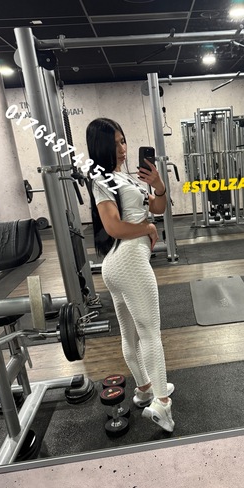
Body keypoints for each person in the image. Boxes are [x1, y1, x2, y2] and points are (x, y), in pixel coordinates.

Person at [85, 117, 174, 433]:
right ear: (101, 147)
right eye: (115, 143)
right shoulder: (100, 180)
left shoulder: (127, 178)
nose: (122, 148)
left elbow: (159, 208)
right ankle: (162, 404)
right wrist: (147, 228)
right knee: (150, 334)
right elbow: (113, 227)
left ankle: (145, 388)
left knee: (131, 335)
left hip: (117, 264)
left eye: (123, 141)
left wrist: (159, 185)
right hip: (129, 262)